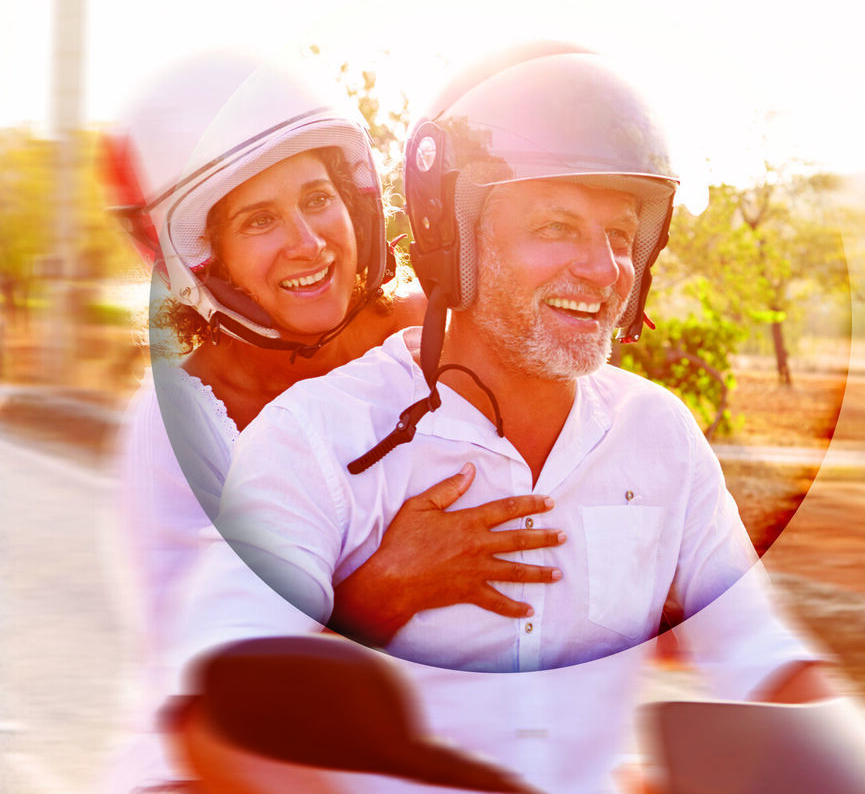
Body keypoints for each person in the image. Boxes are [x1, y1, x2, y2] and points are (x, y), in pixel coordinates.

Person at [171, 43, 865, 793]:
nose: (603, 270)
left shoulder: (659, 437)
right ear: (453, 239)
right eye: (557, 227)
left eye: (620, 236)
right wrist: (371, 594)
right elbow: (220, 712)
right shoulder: (316, 438)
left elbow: (765, 657)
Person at [101, 51, 565, 793]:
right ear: (206, 257)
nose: (309, 242)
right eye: (259, 219)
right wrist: (381, 587)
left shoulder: (444, 344)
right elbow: (215, 698)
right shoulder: (174, 428)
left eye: (317, 198)